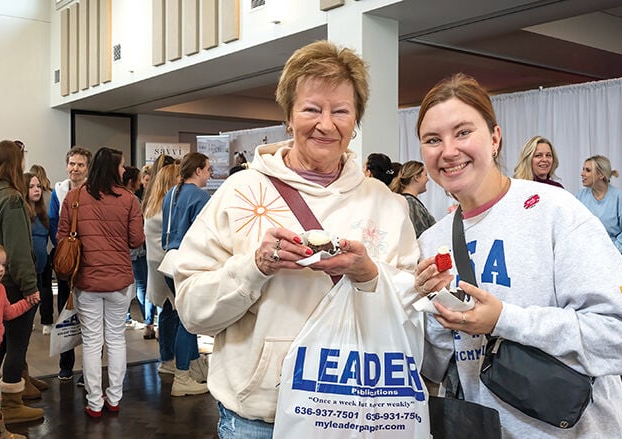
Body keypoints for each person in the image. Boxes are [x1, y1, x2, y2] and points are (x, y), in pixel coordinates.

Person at [173, 40, 420, 438]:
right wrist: (254, 267)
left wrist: (369, 275)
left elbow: (413, 310)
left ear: (355, 120)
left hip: (358, 413)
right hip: (258, 421)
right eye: (311, 109)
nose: (326, 124)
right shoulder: (240, 194)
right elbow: (191, 310)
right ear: (289, 116)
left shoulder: (386, 205)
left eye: (341, 111)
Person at [412, 74, 622, 438]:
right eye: (433, 140)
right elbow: (435, 364)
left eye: (463, 132)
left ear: (494, 138)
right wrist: (435, 315)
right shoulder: (433, 241)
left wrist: (504, 319)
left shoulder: (553, 210)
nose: (448, 150)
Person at [57, 147, 145, 417]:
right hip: (119, 281)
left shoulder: (74, 197)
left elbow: (62, 236)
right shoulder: (129, 200)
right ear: (112, 168)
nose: (124, 170)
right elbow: (136, 240)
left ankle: (94, 402)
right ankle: (114, 398)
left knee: (93, 342)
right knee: (116, 340)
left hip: (87, 281)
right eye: (121, 166)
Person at [0, 140, 44, 423]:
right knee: (16, 343)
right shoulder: (12, 199)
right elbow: (17, 251)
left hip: (1, 281)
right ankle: (12, 404)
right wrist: (31, 289)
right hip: (13, 283)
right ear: (17, 162)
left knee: (0, 343)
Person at [161, 153, 212, 397]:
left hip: (169, 261)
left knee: (183, 317)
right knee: (187, 321)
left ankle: (191, 368)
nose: (210, 174)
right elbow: (205, 238)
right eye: (208, 169)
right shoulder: (202, 197)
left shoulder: (172, 193)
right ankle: (182, 376)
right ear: (199, 170)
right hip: (188, 264)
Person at [49, 146, 92, 384]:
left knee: (91, 316)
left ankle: (90, 371)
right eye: (72, 164)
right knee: (65, 313)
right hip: (67, 261)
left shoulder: (93, 192)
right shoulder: (58, 191)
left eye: (80, 164)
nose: (75, 168)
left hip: (88, 260)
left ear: (87, 168)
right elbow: (54, 223)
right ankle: (65, 365)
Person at [0, 243, 38, 439]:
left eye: (3, 265)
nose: (1, 269)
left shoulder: (1, 290)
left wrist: (27, 302)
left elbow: (9, 313)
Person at [142, 163, 180, 375]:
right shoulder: (167, 208)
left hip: (155, 263)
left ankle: (167, 356)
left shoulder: (151, 206)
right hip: (166, 265)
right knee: (170, 313)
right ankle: (169, 358)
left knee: (166, 310)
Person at [123, 166, 156, 339]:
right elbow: (137, 230)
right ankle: (148, 321)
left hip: (124, 251)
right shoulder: (133, 200)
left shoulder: (118, 198)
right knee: (143, 286)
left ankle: (127, 317)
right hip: (137, 250)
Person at [576, 155, 622, 253]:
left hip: (614, 253)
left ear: (600, 175)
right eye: (583, 169)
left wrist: (610, 250)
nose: (582, 174)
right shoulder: (580, 196)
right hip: (586, 253)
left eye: (587, 170)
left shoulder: (620, 197)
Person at [28, 165, 54, 335]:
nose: (36, 190)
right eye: (31, 186)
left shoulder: (46, 204)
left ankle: (46, 320)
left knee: (44, 290)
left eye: (38, 186)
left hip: (42, 259)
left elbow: (51, 233)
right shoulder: (21, 210)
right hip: (29, 261)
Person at [389, 160, 436, 237]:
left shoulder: (406, 201)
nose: (428, 179)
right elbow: (420, 236)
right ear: (416, 177)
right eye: (425, 175)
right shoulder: (411, 203)